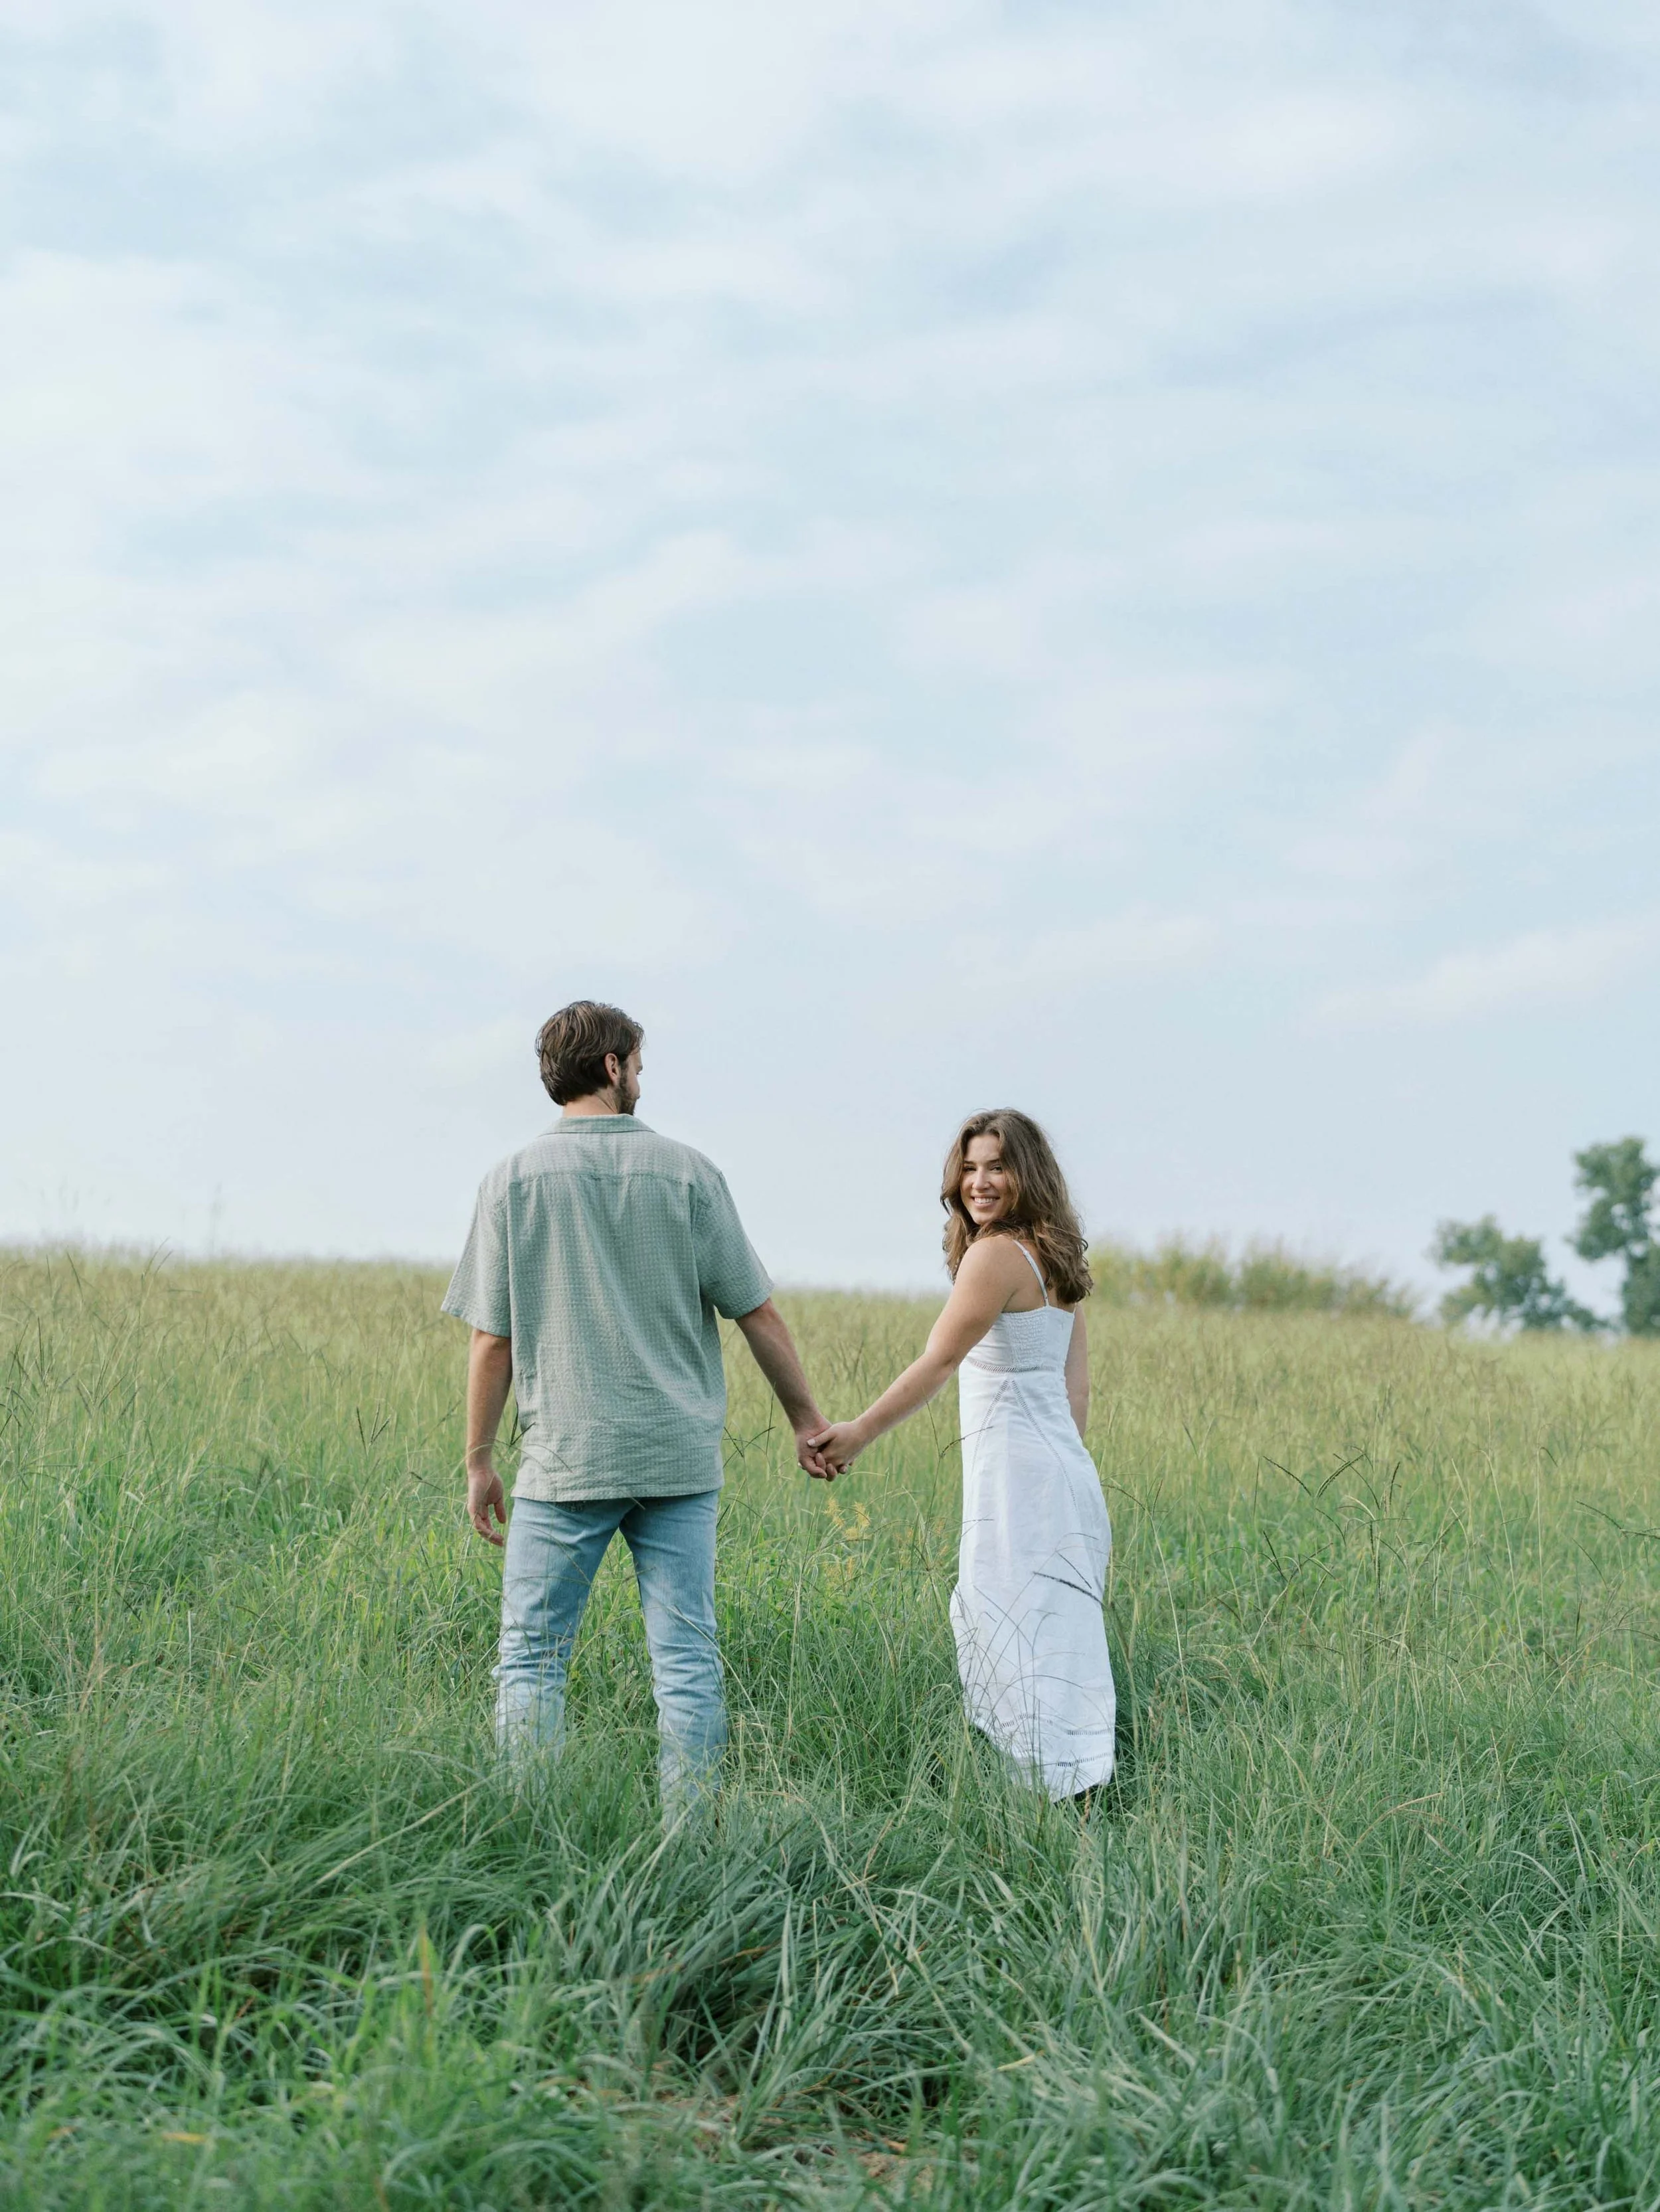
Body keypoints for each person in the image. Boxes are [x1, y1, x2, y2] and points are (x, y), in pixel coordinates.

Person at [442, 999, 830, 1815]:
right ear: (612, 1065)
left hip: (565, 1460)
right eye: (639, 1066)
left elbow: (491, 1341)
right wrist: (804, 1420)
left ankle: (530, 1831)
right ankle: (692, 1835)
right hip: (676, 1458)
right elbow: (757, 1312)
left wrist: (479, 1458)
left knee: (532, 1659)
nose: (642, 1080)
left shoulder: (509, 1181)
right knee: (686, 1660)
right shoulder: (688, 1173)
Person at [809, 1110, 1116, 1802]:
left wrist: (858, 1431)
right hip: (1065, 1476)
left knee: (1009, 1636)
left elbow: (940, 1361)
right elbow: (1076, 1390)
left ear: (1027, 1173)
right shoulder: (1056, 1259)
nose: (979, 1182)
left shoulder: (995, 1255)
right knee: (1056, 1643)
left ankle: (1038, 1800)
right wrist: (1057, 1473)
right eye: (970, 1168)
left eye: (997, 1167)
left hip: (1018, 1483)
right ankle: (1074, 1793)